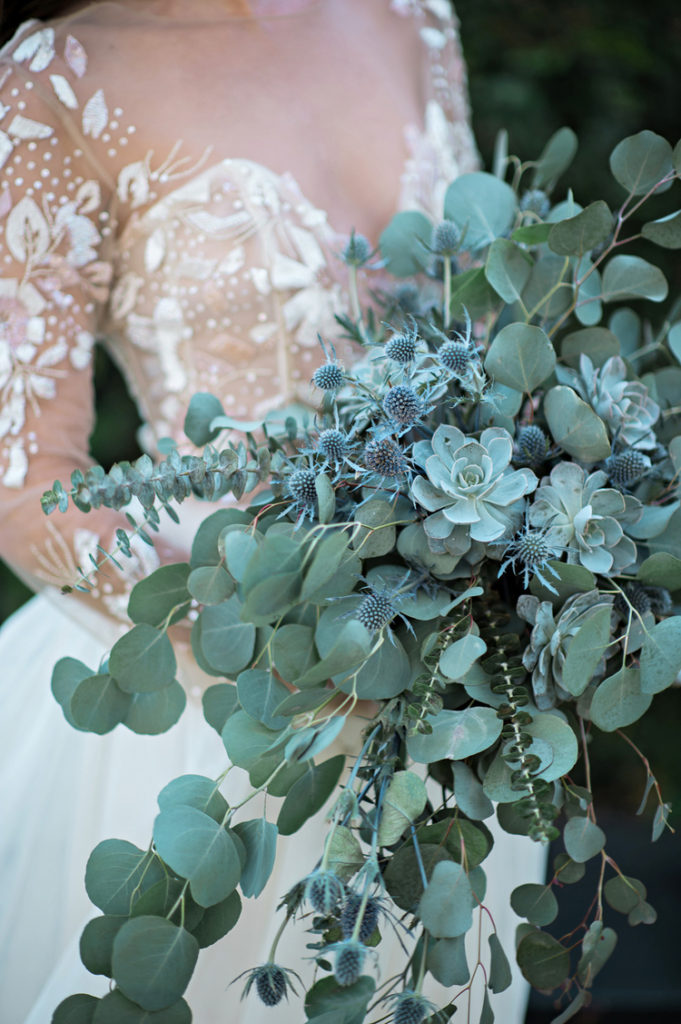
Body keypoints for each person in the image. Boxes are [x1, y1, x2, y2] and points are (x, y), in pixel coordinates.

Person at [0, 2, 544, 1021]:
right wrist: (273, 666)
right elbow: (26, 486)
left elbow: (496, 334)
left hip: (453, 701)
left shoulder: (411, 15)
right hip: (214, 718)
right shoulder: (57, 79)